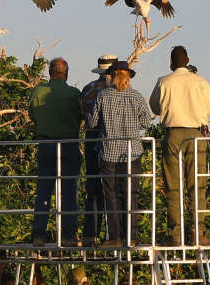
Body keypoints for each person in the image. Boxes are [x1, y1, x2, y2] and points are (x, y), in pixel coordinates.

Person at [149, 46, 210, 246]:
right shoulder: (200, 81)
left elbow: (154, 107)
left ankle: (176, 235)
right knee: (197, 186)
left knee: (173, 187)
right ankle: (198, 232)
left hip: (173, 135)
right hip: (196, 134)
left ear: (171, 62)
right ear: (187, 60)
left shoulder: (164, 82)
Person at [88, 61, 151, 248]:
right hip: (132, 153)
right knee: (130, 194)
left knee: (111, 196)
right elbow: (147, 122)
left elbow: (92, 122)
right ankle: (131, 236)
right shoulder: (137, 97)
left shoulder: (102, 95)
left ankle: (114, 237)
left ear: (112, 76)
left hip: (108, 152)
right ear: (128, 76)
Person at [30, 58, 83, 247]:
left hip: (45, 143)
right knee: (69, 191)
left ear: (49, 72)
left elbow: (32, 115)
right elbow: (82, 116)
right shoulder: (74, 93)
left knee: (43, 190)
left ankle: (38, 234)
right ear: (66, 73)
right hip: (69, 144)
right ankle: (69, 235)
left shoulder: (38, 91)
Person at [79, 54, 118, 247]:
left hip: (92, 138)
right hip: (113, 141)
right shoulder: (118, 91)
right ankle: (114, 233)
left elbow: (82, 115)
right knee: (113, 187)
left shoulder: (87, 89)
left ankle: (90, 233)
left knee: (92, 186)